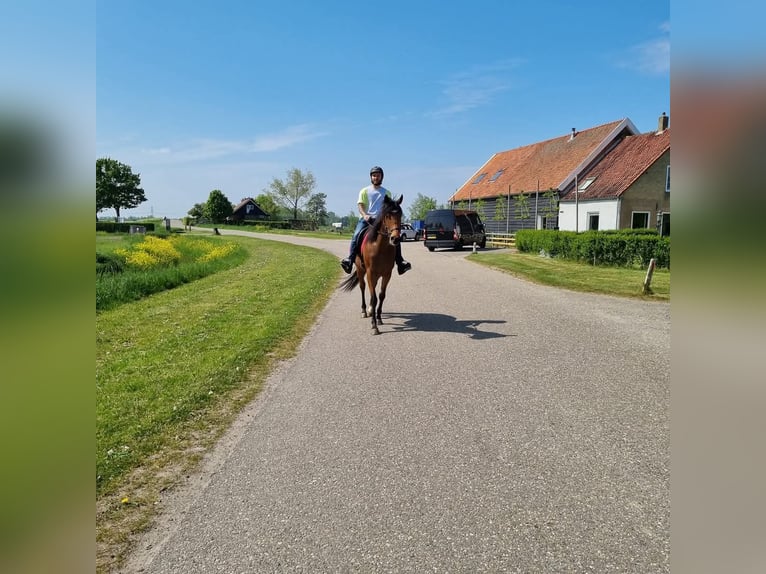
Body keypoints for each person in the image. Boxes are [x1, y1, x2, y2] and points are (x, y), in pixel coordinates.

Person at [340, 166, 411, 275]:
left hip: (381, 221)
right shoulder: (364, 191)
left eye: (378, 175)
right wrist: (364, 215)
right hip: (366, 219)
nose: (376, 177)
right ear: (371, 177)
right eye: (374, 175)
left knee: (395, 237)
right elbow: (360, 205)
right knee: (356, 235)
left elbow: (389, 209)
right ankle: (350, 260)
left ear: (382, 177)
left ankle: (400, 261)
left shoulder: (387, 192)